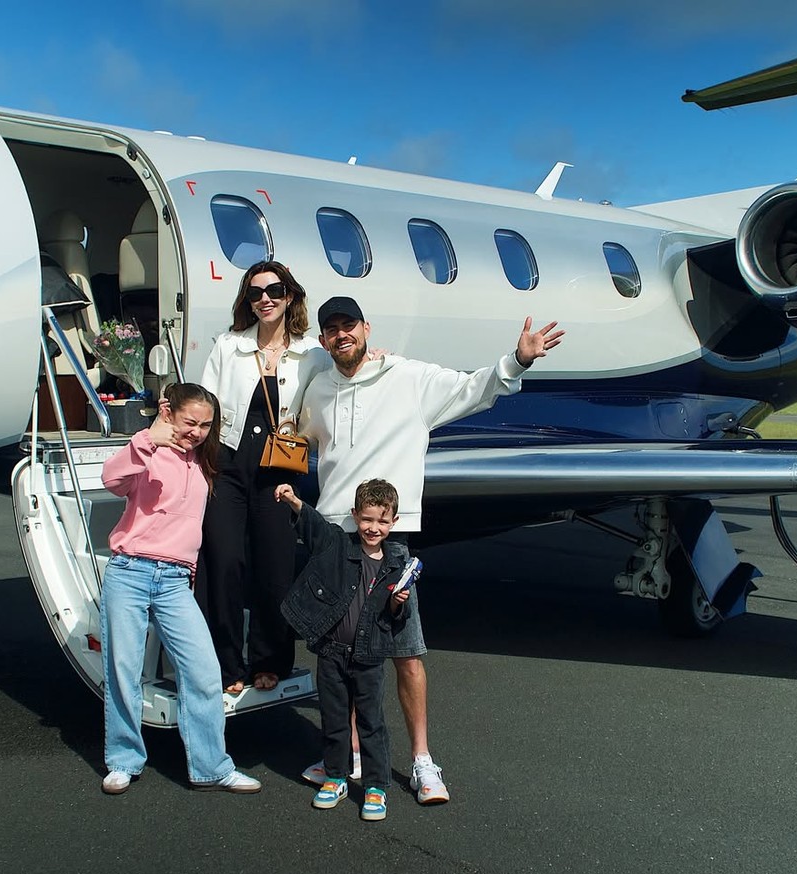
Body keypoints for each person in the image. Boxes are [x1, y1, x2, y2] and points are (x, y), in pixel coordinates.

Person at [297, 296, 564, 804]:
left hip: (389, 541)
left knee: (407, 654)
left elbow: (473, 390)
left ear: (365, 328)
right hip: (335, 537)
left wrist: (519, 359)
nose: (340, 335)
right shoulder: (320, 389)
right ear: (323, 339)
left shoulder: (409, 378)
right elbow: (299, 437)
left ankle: (422, 761)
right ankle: (348, 752)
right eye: (330, 329)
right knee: (344, 652)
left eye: (347, 325)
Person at [99, 381, 262, 796]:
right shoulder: (147, 452)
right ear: (168, 411)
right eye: (192, 422)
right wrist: (144, 439)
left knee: (205, 673)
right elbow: (111, 479)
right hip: (131, 571)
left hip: (174, 582)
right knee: (123, 671)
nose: (198, 431)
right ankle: (123, 760)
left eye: (207, 425)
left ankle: (211, 766)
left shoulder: (202, 463)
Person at [198, 261, 330, 694]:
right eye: (255, 293)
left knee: (275, 568)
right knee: (224, 561)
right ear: (247, 301)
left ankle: (269, 660)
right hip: (230, 464)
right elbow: (208, 406)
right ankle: (226, 662)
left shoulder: (311, 353)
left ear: (289, 295)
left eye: (274, 290)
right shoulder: (229, 346)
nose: (265, 299)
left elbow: (334, 389)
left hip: (279, 468)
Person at [275, 479, 416, 822]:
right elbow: (315, 526)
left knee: (371, 723)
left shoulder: (395, 566)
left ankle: (375, 786)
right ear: (354, 515)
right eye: (367, 519)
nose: (373, 528)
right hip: (332, 653)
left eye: (382, 522)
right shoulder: (338, 546)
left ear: (394, 522)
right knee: (335, 720)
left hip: (369, 657)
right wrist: (294, 500)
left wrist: (399, 603)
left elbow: (397, 620)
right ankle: (337, 777)